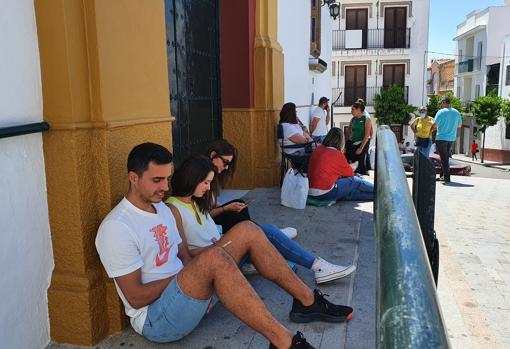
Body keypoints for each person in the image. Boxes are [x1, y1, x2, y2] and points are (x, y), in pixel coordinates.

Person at [95, 142, 353, 348]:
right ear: (133, 177)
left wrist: (198, 283)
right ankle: (284, 342)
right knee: (214, 259)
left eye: (167, 179)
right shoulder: (117, 227)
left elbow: (184, 255)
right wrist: (196, 275)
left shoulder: (163, 210)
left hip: (186, 295)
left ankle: (307, 303)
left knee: (248, 230)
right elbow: (136, 297)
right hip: (157, 319)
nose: (165, 187)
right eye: (156, 181)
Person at [168, 154, 356, 284]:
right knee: (265, 233)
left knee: (265, 234)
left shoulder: (194, 200)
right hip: (215, 255)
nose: (209, 188)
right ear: (192, 178)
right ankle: (316, 266)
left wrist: (225, 218)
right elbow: (185, 256)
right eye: (206, 183)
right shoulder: (173, 209)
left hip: (222, 245)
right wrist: (221, 244)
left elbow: (203, 219)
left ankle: (307, 263)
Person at [308, 128, 374, 202]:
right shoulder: (336, 154)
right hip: (325, 191)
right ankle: (380, 190)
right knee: (356, 181)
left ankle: (379, 196)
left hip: (311, 192)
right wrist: (354, 165)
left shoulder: (318, 149)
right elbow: (350, 174)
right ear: (341, 141)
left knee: (351, 194)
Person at [434, 97, 462, 183]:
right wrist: (451, 127)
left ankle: (446, 177)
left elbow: (435, 125)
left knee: (444, 158)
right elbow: (460, 125)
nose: (440, 105)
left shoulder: (441, 112)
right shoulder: (456, 112)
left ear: (444, 102)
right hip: (451, 138)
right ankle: (443, 176)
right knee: (445, 157)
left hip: (441, 138)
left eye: (441, 103)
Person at [345, 101, 372, 175]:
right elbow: (349, 130)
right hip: (352, 142)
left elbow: (367, 135)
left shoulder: (366, 119)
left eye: (353, 109)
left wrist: (361, 147)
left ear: (359, 109)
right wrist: (350, 137)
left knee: (359, 165)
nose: (351, 111)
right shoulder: (353, 119)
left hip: (361, 144)